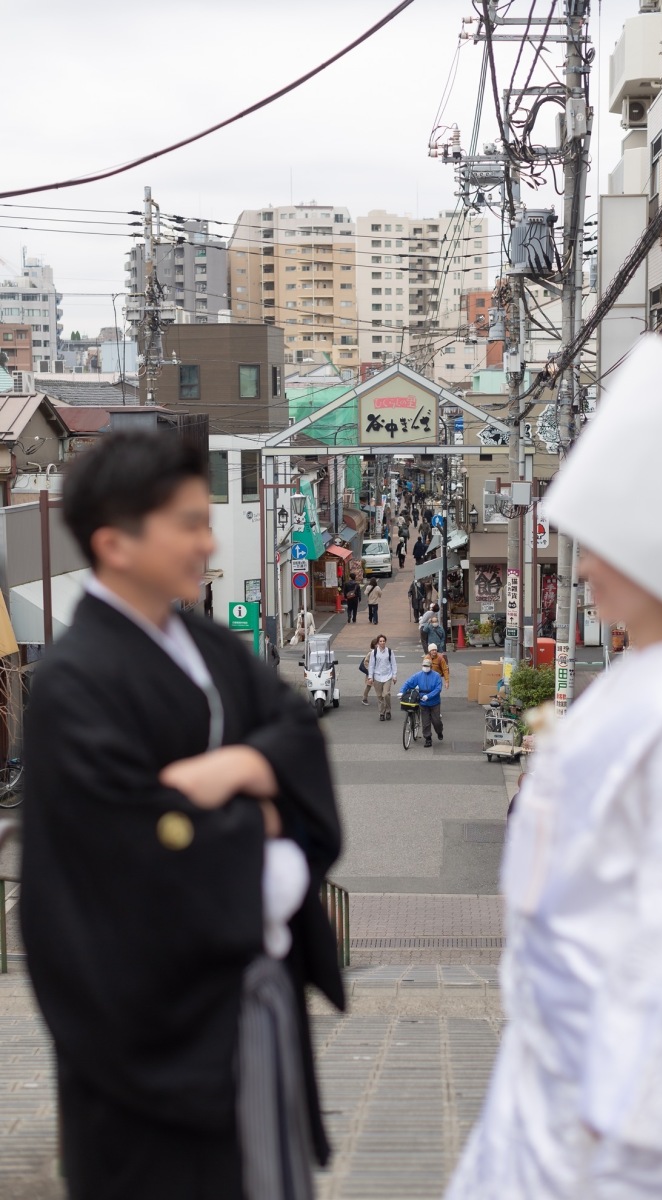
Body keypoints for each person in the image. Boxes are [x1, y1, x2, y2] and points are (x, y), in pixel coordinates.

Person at [444, 337, 662, 1200]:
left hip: (617, 1143)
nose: (588, 566)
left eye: (607, 543)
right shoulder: (652, 710)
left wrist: (601, 1131)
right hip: (562, 1109)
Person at [21, 432, 343, 1200]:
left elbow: (293, 730)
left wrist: (239, 767)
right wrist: (271, 835)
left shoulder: (199, 640)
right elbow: (132, 850)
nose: (208, 542)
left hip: (244, 998)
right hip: (146, 1032)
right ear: (114, 543)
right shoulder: (73, 685)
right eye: (190, 524)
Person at [398, 656, 443, 747]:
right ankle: (428, 738)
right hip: (423, 702)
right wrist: (401, 692)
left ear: (431, 666)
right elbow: (408, 683)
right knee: (425, 722)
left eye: (427, 666)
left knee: (436, 721)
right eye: (424, 666)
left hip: (434, 701)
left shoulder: (436, 676)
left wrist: (428, 696)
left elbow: (438, 689)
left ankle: (439, 731)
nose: (425, 668)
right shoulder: (418, 675)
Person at [366, 633, 398, 722]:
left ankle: (388, 711)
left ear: (385, 642)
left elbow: (393, 664)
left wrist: (394, 676)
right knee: (379, 696)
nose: (382, 642)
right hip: (377, 677)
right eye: (380, 641)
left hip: (387, 676)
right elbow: (371, 665)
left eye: (383, 641)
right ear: (378, 642)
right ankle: (381, 713)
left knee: (386, 694)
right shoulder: (374, 652)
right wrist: (370, 677)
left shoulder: (390, 652)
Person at [361, 636, 379, 706]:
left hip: (377, 673)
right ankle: (364, 699)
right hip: (371, 673)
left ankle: (380, 699)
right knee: (369, 686)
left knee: (378, 686)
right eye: (376, 644)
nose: (378, 645)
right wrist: (370, 670)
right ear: (374, 645)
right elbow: (366, 662)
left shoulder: (380, 652)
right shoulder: (371, 653)